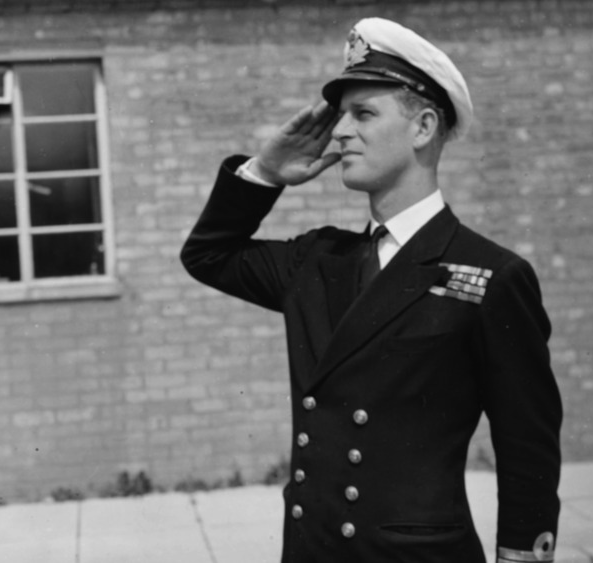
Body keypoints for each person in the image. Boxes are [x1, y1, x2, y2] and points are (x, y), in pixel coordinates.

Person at [181, 17, 562, 563]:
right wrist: (264, 170)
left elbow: (527, 448)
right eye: (341, 115)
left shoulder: (490, 276)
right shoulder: (317, 260)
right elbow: (207, 256)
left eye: (363, 114)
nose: (339, 132)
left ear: (423, 127)